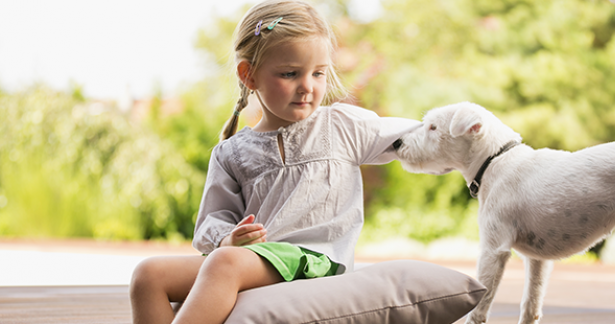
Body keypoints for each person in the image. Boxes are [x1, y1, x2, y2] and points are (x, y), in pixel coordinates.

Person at [129, 1, 420, 323]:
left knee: (224, 264)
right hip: (255, 262)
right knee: (148, 275)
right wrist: (228, 238)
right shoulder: (231, 153)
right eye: (289, 73)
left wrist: (469, 134)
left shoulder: (341, 126)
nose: (308, 86)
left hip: (316, 260)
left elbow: (421, 137)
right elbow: (212, 222)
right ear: (248, 75)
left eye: (318, 73)